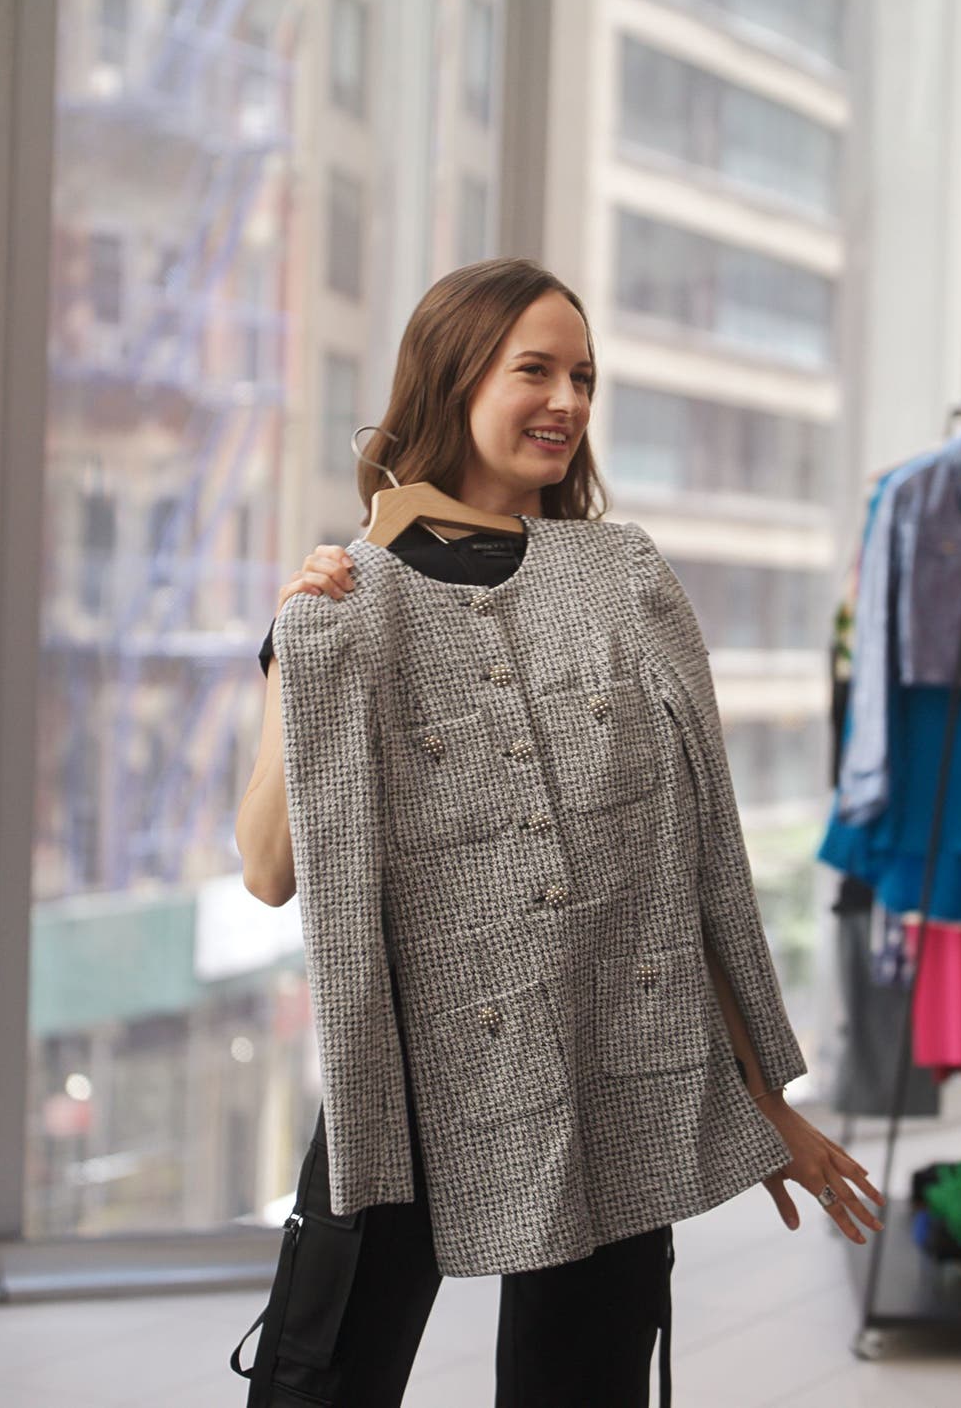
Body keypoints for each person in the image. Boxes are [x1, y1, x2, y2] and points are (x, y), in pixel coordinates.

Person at [235, 257, 884, 1407]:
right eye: (532, 368)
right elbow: (269, 870)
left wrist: (763, 1096)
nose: (567, 401)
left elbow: (699, 869)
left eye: (582, 375)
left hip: (606, 1055)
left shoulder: (623, 575)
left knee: (582, 1383)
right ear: (452, 377)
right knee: (317, 1373)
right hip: (406, 1071)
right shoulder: (350, 602)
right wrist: (300, 649)